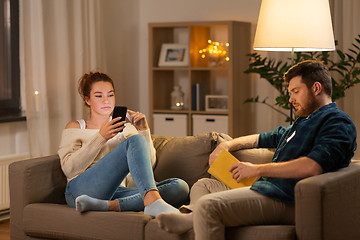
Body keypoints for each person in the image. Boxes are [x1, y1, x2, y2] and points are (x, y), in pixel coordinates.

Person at [157, 60, 357, 239]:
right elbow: (263, 138)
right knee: (203, 185)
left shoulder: (337, 122)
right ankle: (193, 218)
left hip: (286, 198)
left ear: (316, 88)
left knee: (209, 206)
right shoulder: (302, 122)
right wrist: (226, 144)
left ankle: (197, 216)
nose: (290, 99)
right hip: (267, 188)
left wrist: (257, 169)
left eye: (295, 91)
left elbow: (314, 166)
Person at [57, 71, 189, 217]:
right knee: (134, 140)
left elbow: (148, 166)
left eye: (110, 95)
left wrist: (143, 129)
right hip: (80, 191)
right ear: (88, 100)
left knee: (179, 187)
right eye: (99, 96)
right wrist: (101, 137)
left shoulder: (127, 128)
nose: (106, 101)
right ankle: (152, 203)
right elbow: (69, 169)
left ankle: (108, 206)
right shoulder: (75, 127)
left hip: (116, 192)